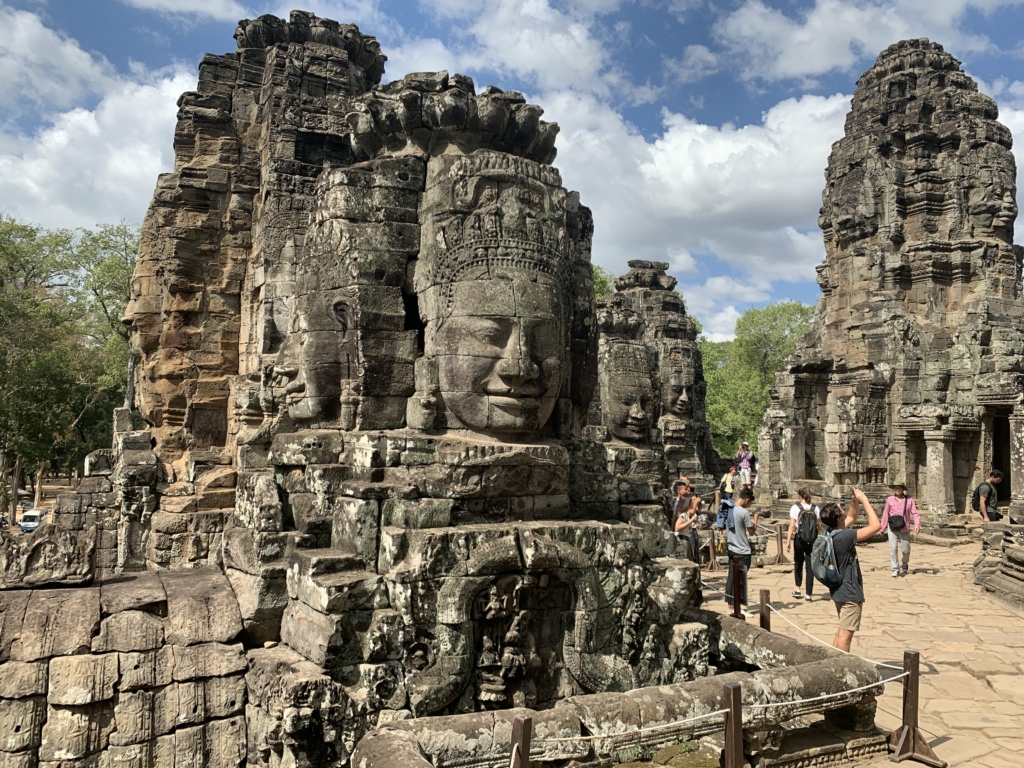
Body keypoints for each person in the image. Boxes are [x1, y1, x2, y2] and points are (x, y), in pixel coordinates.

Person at [819, 488, 880, 653]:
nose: (843, 509)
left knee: (841, 631)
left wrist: (855, 501)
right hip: (850, 591)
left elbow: (852, 517)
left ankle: (831, 662)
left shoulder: (829, 532)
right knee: (845, 636)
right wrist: (865, 500)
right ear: (839, 518)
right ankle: (840, 666)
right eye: (841, 509)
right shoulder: (844, 537)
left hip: (838, 590)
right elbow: (876, 526)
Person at [724, 487, 760, 612]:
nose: (749, 505)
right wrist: (756, 518)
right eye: (749, 502)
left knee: (731, 578)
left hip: (731, 548)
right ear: (747, 499)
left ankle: (730, 606)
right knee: (740, 580)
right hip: (742, 550)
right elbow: (752, 532)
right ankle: (737, 607)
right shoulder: (744, 512)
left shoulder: (728, 509)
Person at [785, 487, 819, 601]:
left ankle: (797, 588)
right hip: (812, 540)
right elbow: (819, 525)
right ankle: (808, 594)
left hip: (799, 538)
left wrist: (788, 541)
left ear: (799, 496)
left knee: (798, 563)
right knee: (810, 566)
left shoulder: (796, 507)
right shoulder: (815, 508)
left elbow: (792, 526)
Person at [880, 483, 920, 577]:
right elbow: (885, 513)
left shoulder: (909, 500)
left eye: (899, 487)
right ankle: (895, 568)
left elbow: (914, 513)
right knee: (893, 548)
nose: (897, 489)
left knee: (906, 550)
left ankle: (905, 563)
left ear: (903, 489)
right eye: (895, 487)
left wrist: (917, 525)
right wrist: (883, 527)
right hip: (892, 527)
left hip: (904, 527)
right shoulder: (890, 499)